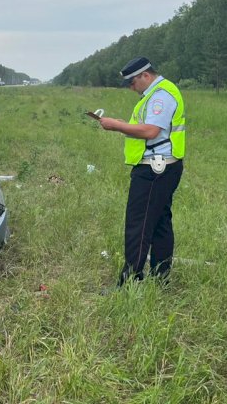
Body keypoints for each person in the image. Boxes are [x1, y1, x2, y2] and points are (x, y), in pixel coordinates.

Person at [98, 57, 185, 287]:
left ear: (145, 75)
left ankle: (129, 284)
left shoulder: (160, 96)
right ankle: (160, 278)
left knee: (139, 224)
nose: (131, 88)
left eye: (132, 82)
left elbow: (150, 131)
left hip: (154, 169)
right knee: (160, 222)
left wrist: (116, 126)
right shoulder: (158, 93)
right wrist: (122, 123)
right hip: (164, 166)